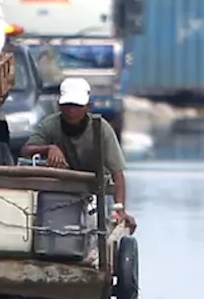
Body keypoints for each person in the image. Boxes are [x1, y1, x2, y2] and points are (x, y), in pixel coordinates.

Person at [21, 77, 135, 231]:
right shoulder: (51, 125)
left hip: (95, 189)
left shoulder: (101, 129)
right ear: (59, 106)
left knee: (100, 223)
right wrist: (48, 148)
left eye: (76, 106)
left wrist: (120, 209)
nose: (71, 111)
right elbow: (27, 150)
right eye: (67, 106)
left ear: (88, 107)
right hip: (63, 190)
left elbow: (117, 172)